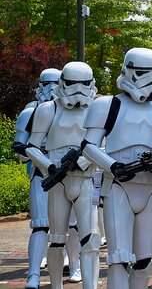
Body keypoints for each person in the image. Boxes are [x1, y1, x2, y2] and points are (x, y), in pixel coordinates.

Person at [81, 47, 152, 288]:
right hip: (118, 188)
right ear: (127, 71)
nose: (150, 79)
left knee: (146, 262)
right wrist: (113, 165)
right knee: (119, 259)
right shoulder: (107, 106)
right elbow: (88, 147)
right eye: (143, 72)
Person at [25, 62, 100, 289]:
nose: (78, 89)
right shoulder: (48, 109)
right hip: (58, 181)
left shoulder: (98, 108)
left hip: (85, 179)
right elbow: (32, 147)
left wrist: (86, 160)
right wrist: (49, 167)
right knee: (56, 239)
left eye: (83, 84)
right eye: (72, 83)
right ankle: (55, 285)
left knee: (91, 240)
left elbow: (105, 146)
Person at [13, 68, 82, 288]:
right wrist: (40, 157)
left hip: (72, 172)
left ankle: (75, 266)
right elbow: (21, 149)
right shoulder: (32, 112)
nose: (51, 89)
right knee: (41, 225)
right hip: (43, 173)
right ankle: (33, 274)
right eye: (47, 83)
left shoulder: (77, 109)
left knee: (72, 226)